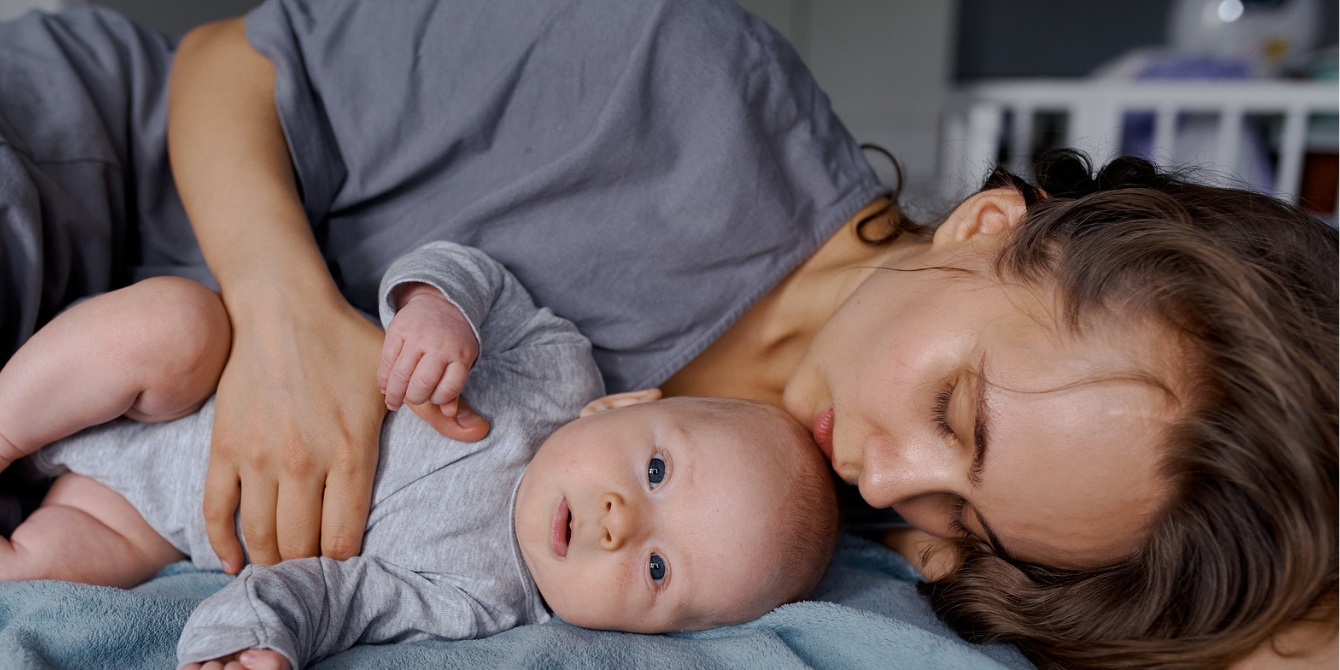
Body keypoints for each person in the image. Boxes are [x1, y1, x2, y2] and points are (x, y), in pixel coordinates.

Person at [0, 1, 1333, 667]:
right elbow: (227, 61)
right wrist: (285, 313)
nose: (889, 474)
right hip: (96, 190)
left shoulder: (846, 529)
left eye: (971, 514)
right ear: (990, 225)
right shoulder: (675, 73)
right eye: (956, 412)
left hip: (115, 482)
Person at [0, 241, 839, 670]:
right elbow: (476, 273)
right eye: (656, 472)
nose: (621, 523)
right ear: (622, 406)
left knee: (56, 570)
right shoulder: (554, 373)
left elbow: (338, 593)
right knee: (172, 325)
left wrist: (253, 637)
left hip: (156, 520)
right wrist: (439, 312)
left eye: (659, 572)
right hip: (202, 382)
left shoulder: (481, 602)